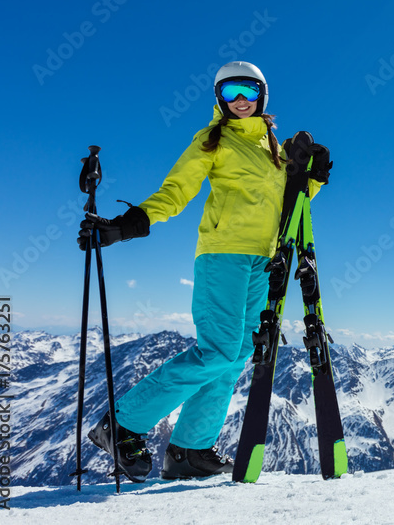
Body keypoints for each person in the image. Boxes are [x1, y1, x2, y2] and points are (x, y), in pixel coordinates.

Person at [78, 61, 332, 482]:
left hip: (263, 260)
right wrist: (132, 224)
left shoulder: (273, 148)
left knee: (237, 357)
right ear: (218, 97)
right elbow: (177, 189)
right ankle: (121, 423)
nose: (239, 101)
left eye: (247, 91)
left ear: (262, 95)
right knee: (217, 350)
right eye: (229, 91)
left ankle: (190, 450)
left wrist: (312, 176)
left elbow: (289, 202)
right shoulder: (213, 140)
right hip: (223, 255)